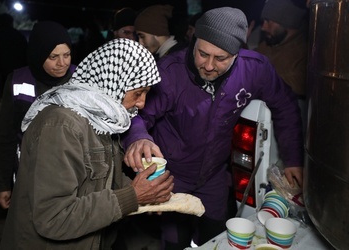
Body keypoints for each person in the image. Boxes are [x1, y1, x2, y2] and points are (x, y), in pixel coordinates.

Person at [121, 7, 304, 249]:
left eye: (220, 58)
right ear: (194, 42)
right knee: (175, 241)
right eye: (202, 54)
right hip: (173, 176)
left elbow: (285, 105)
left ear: (238, 54)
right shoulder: (169, 72)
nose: (208, 66)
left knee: (216, 238)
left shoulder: (255, 69)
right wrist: (138, 137)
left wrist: (292, 158)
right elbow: (137, 113)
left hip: (214, 176)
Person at [0, 38, 174, 249]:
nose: (142, 103)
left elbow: (105, 181)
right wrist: (133, 195)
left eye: (146, 93)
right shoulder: (61, 126)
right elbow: (53, 218)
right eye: (138, 93)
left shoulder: (102, 119)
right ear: (115, 83)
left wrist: (148, 193)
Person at [0, 21, 76, 209]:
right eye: (53, 57)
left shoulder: (82, 77)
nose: (62, 63)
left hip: (72, 173)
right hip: (30, 175)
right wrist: (3, 184)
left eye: (67, 55)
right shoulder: (17, 81)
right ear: (38, 54)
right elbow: (6, 136)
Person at [255, 0, 308, 131]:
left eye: (268, 21)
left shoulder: (306, 51)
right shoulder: (267, 44)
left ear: (286, 22)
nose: (263, 27)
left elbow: (302, 82)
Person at [0, 13, 28, 99]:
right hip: (18, 70)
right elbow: (26, 52)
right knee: (20, 95)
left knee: (6, 95)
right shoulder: (18, 35)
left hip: (2, 72)